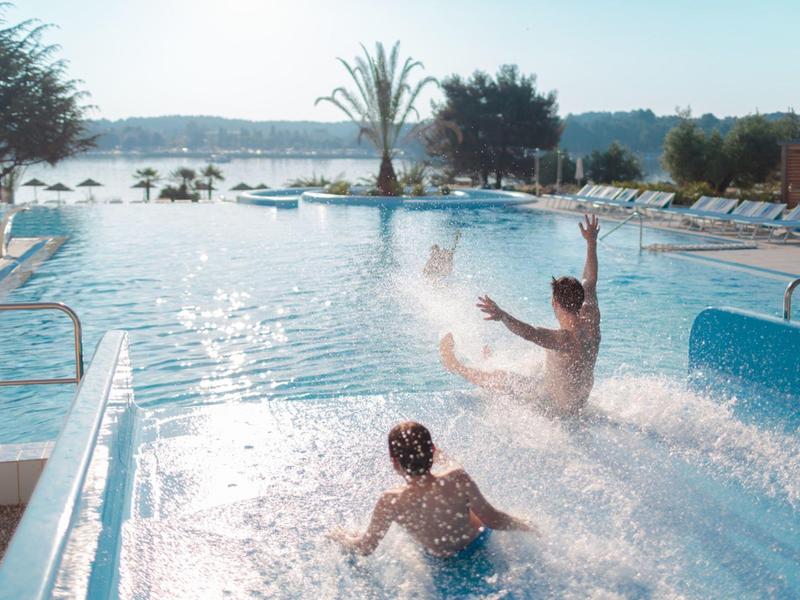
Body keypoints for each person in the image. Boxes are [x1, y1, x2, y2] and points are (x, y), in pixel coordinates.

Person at [440, 214, 601, 417]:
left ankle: (455, 366)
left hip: (557, 408)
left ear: (555, 303)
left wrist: (503, 315)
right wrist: (591, 242)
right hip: (579, 403)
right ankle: (492, 360)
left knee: (503, 379)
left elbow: (530, 333)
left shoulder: (565, 339)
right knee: (536, 364)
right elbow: (589, 280)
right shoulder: (591, 318)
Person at [329, 421, 537, 558]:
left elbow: (366, 547)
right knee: (458, 484)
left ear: (394, 462)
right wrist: (527, 525)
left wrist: (343, 539)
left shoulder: (390, 501)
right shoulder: (458, 479)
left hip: (439, 556)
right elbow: (493, 519)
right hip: (476, 543)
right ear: (432, 451)